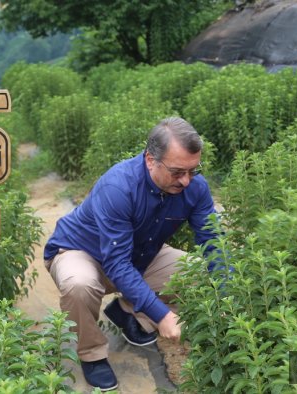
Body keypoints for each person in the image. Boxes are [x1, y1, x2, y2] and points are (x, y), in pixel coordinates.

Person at [43, 116, 221, 391]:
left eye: (193, 170)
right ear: (150, 160)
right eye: (177, 172)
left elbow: (213, 241)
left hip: (140, 255)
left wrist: (228, 291)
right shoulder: (119, 187)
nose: (186, 181)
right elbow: (116, 263)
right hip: (81, 252)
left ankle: (128, 313)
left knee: (197, 275)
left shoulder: (195, 188)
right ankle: (92, 355)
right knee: (79, 285)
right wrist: (163, 316)